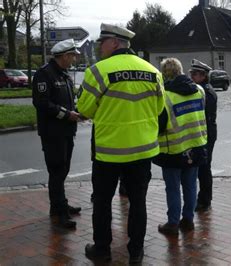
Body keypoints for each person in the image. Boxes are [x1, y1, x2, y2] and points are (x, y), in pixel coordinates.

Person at [77, 23, 165, 264]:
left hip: (109, 153)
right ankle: (136, 252)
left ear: (114, 42)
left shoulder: (98, 71)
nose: (99, 47)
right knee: (138, 203)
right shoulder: (153, 71)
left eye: (102, 42)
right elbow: (158, 109)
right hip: (143, 151)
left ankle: (102, 249)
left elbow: (84, 109)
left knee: (103, 202)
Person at [153, 58, 207, 236]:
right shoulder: (199, 90)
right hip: (196, 145)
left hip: (173, 149)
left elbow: (160, 126)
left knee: (173, 188)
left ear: (164, 75)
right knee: (191, 185)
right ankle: (189, 220)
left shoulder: (165, 97)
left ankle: (173, 223)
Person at [32, 38, 82, 229]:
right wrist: (66, 114)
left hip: (67, 131)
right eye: (72, 56)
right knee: (57, 171)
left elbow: (68, 101)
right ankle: (60, 213)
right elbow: (42, 103)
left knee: (64, 170)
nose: (74, 60)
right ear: (64, 55)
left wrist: (77, 112)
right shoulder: (44, 74)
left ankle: (59, 205)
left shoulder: (64, 75)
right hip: (53, 133)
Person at [189, 59, 217, 212]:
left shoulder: (206, 92)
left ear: (203, 76)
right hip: (206, 132)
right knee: (203, 167)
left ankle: (205, 200)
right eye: (191, 73)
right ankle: (204, 198)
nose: (192, 76)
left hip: (206, 133)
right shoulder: (204, 89)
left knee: (204, 168)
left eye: (195, 74)